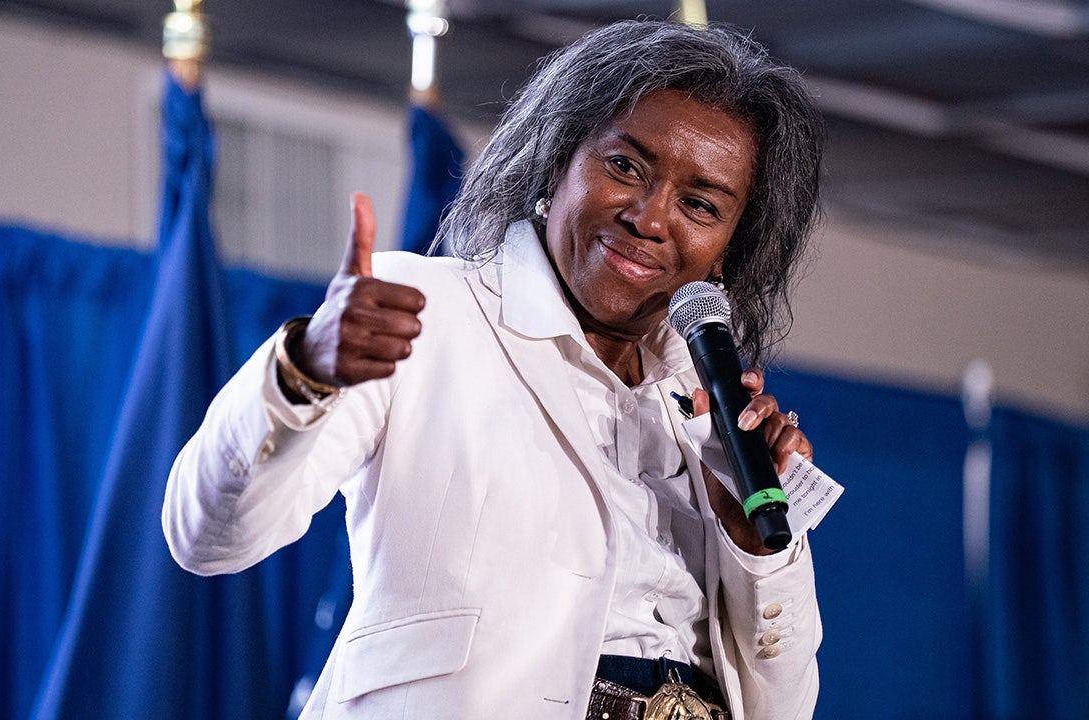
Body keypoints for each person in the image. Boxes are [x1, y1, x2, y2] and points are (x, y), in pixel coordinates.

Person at [164, 18, 825, 720]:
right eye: (625, 166)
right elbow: (207, 536)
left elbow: (786, 707)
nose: (650, 216)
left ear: (727, 250)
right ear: (557, 161)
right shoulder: (423, 311)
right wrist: (303, 374)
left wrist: (757, 552)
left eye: (699, 204)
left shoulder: (711, 415)